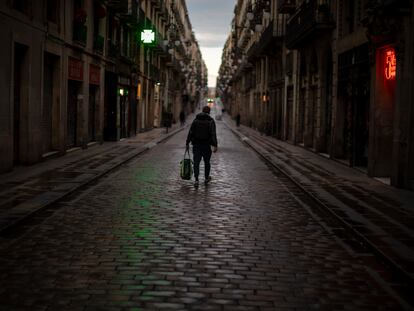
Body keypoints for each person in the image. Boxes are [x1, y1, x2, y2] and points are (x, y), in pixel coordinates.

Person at [186, 106, 218, 187]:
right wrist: (215, 145)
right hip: (206, 145)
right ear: (209, 112)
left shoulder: (196, 120)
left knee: (196, 162)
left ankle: (196, 179)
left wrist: (187, 142)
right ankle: (206, 178)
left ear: (202, 111)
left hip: (196, 145)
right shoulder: (211, 121)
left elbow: (191, 132)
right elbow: (213, 134)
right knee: (207, 162)